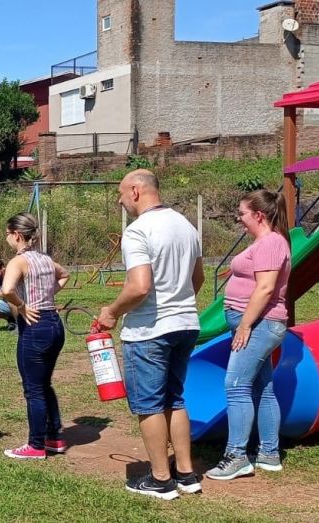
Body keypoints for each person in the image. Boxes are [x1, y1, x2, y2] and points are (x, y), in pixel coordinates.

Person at [96, 169, 204, 500]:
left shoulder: (138, 230)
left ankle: (160, 479)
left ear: (136, 191)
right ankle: (186, 474)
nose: (120, 200)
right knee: (175, 398)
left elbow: (139, 286)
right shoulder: (186, 225)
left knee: (149, 404)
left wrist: (112, 311)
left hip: (149, 330)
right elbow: (197, 279)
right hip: (186, 323)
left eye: (121, 193)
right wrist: (178, 302)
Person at [205, 190, 290, 480]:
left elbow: (265, 289)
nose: (239, 219)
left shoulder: (270, 243)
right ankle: (268, 453)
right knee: (262, 387)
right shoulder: (264, 242)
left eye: (241, 213)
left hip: (259, 324)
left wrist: (244, 326)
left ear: (259, 215)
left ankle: (237, 456)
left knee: (236, 385)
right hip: (256, 323)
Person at [0, 213, 71, 460]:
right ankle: (55, 437)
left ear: (17, 235)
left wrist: (22, 305)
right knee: (44, 384)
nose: (7, 239)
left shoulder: (17, 262)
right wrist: (47, 295)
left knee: (33, 389)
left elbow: (7, 290)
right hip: (54, 324)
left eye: (8, 234)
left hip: (35, 327)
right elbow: (65, 275)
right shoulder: (46, 259)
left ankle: (36, 445)